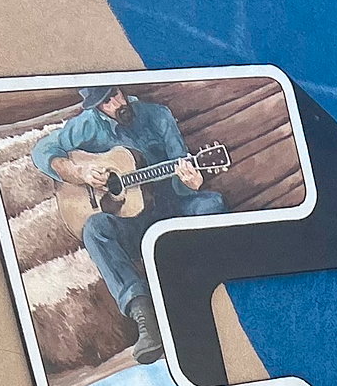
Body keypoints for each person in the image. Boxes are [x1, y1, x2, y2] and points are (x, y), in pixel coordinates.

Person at [31, 84, 227, 365]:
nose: (114, 104)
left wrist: (190, 182)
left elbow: (181, 173)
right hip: (129, 220)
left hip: (170, 207)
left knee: (212, 205)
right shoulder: (87, 126)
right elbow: (42, 151)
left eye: (115, 95)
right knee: (95, 228)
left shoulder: (158, 116)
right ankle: (144, 316)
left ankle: (193, 302)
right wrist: (79, 172)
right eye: (105, 103)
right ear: (95, 108)